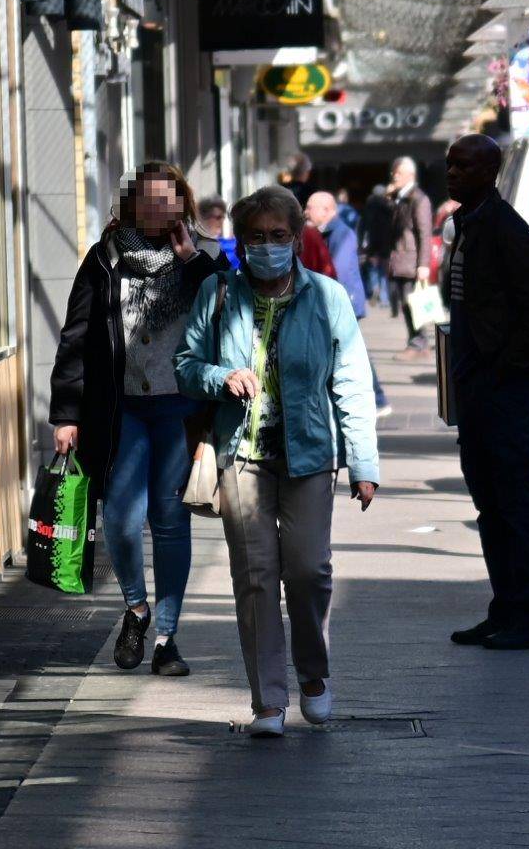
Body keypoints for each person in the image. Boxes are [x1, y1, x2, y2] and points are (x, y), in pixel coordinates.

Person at [174, 186, 380, 738]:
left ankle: (313, 676)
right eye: (257, 238)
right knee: (257, 578)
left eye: (279, 236)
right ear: (242, 242)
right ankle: (268, 700)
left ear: (297, 238)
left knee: (309, 571)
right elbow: (186, 364)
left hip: (310, 455)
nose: (268, 246)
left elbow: (352, 384)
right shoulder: (218, 294)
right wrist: (221, 377)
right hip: (242, 454)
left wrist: (363, 463)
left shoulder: (328, 297)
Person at [49, 162, 229, 677]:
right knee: (124, 521)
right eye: (146, 200)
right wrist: (66, 412)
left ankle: (168, 637)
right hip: (122, 407)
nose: (157, 209)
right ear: (130, 205)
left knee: (170, 522)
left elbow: (228, 311)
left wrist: (190, 260)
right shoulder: (105, 259)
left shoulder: (208, 255)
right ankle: (136, 609)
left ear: (182, 202)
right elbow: (76, 336)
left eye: (166, 199)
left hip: (181, 407)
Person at [444, 134, 529, 651]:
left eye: (464, 166)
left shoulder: (504, 228)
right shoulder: (467, 225)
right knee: (490, 503)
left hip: (502, 391)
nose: (453, 173)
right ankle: (505, 608)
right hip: (476, 390)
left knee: (515, 504)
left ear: (490, 170)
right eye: (450, 165)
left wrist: (503, 368)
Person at [305, 191, 392, 420]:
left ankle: (377, 399)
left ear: (327, 210)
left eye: (310, 207)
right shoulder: (325, 232)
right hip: (341, 302)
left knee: (353, 352)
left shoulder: (341, 233)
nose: (306, 212)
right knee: (351, 351)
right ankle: (374, 399)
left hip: (345, 303)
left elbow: (339, 270)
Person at [386, 156, 433, 361]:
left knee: (413, 302)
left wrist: (424, 264)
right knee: (405, 303)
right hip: (400, 260)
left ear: (410, 175)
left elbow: (425, 233)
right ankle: (415, 341)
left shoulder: (419, 199)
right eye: (394, 172)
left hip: (411, 261)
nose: (394, 176)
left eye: (398, 173)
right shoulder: (400, 197)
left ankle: (419, 343)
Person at [359, 182, 393, 307]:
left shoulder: (368, 207)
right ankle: (384, 298)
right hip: (385, 243)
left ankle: (374, 288)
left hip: (372, 244)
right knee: (384, 271)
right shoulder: (388, 207)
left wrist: (361, 242)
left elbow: (362, 226)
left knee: (373, 269)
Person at [197, 194, 240, 269]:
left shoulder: (233, 243)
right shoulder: (196, 243)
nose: (222, 221)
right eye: (218, 217)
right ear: (204, 218)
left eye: (223, 217)